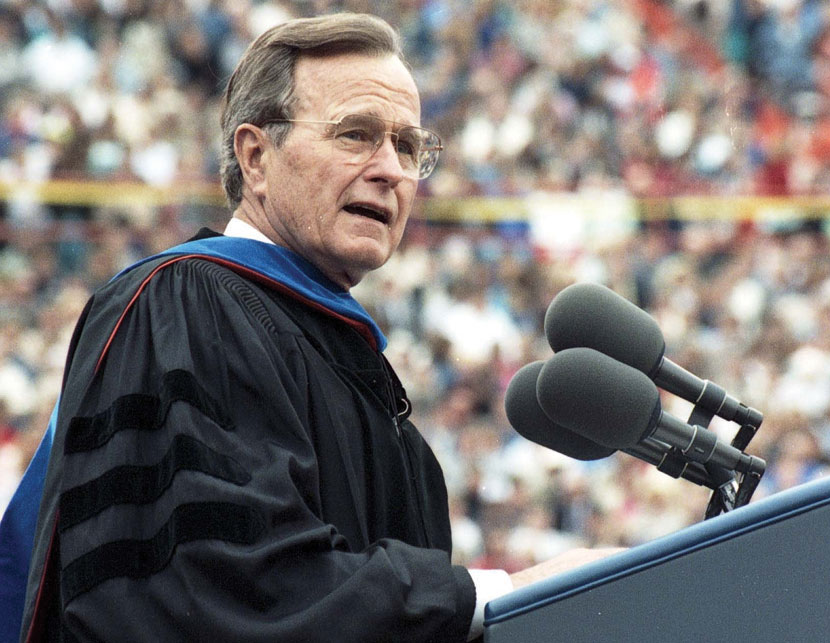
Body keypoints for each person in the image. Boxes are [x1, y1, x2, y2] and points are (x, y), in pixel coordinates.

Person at [0, 13, 608, 642]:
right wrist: (507, 592)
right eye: (356, 135)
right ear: (256, 156)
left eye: (407, 146)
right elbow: (227, 592)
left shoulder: (354, 370)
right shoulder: (186, 307)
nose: (391, 170)